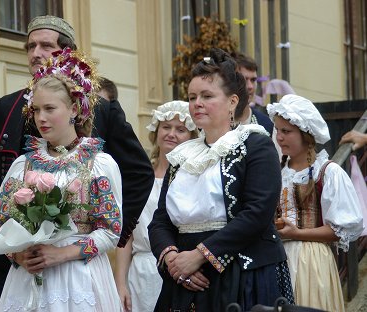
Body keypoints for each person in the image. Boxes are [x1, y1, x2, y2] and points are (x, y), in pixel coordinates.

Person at [0, 15, 154, 311]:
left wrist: (104, 230)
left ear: (66, 53)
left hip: (76, 268)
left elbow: (139, 173)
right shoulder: (2, 108)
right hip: (14, 266)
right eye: (30, 46)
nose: (35, 53)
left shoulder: (101, 110)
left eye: (45, 45)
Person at [148, 48, 294, 311]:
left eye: (207, 96)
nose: (197, 103)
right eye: (192, 97)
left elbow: (257, 213)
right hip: (184, 277)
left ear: (232, 101)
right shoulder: (184, 154)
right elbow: (160, 219)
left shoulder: (255, 144)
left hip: (242, 274)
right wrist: (173, 260)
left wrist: (199, 256)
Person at [0, 48, 122, 311]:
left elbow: (110, 230)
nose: (41, 118)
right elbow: (0, 224)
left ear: (74, 108)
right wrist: (19, 255)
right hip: (30, 277)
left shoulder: (98, 164)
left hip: (78, 277)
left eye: (50, 108)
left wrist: (62, 254)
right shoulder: (23, 164)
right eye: (36, 109)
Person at [267, 94, 364, 311]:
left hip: (311, 260)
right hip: (276, 258)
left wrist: (297, 234)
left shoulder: (327, 172)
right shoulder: (276, 173)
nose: (279, 137)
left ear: (306, 135)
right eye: (278, 130)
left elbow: (342, 229)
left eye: (287, 131)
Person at [114, 101, 198, 312]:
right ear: (156, 131)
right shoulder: (140, 177)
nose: (171, 134)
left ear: (192, 136)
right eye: (166, 127)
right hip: (140, 271)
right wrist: (121, 282)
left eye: (180, 129)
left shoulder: (194, 178)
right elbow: (128, 235)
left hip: (177, 268)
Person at [232, 52, 274, 135]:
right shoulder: (215, 122)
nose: (250, 86)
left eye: (253, 80)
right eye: (244, 80)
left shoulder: (267, 125)